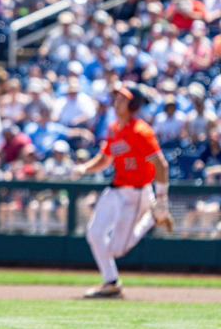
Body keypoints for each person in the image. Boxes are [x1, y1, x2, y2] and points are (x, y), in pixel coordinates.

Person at [72, 82, 173, 298]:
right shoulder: (113, 128)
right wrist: (84, 167)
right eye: (116, 97)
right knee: (95, 234)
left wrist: (162, 201)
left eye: (123, 99)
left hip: (137, 193)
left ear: (134, 104)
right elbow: (105, 158)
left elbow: (161, 166)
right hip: (116, 190)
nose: (117, 101)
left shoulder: (141, 130)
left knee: (116, 250)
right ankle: (111, 282)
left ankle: (153, 217)